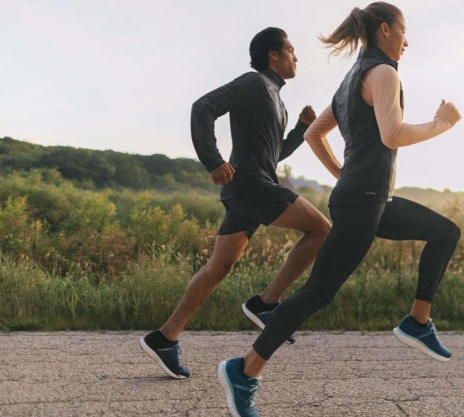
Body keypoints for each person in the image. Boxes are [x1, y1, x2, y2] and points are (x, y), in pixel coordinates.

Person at [217, 3, 463, 416]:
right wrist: (442, 123)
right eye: (404, 32)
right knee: (317, 292)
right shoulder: (383, 73)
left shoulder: (352, 78)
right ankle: (244, 369)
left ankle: (418, 322)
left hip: (368, 197)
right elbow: (393, 134)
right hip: (364, 200)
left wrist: (341, 172)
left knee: (444, 232)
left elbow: (314, 133)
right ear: (385, 30)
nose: (407, 41)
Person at [139, 27, 331, 380]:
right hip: (250, 186)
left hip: (252, 187)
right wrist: (213, 159)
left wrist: (300, 130)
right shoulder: (253, 83)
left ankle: (164, 338)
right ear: (273, 54)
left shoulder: (278, 100)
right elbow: (204, 106)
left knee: (218, 268)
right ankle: (267, 304)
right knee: (321, 229)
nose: (295, 57)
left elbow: (274, 155)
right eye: (290, 50)